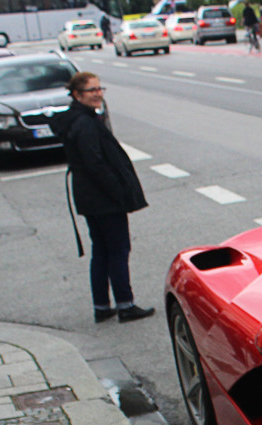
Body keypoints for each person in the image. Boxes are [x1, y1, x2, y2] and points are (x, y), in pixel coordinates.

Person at [50, 73, 155, 324]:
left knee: (102, 251)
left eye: (99, 88)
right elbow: (95, 163)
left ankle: (102, 306)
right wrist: (118, 191)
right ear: (77, 95)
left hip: (89, 196)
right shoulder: (85, 123)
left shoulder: (78, 118)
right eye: (91, 90)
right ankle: (125, 305)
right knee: (118, 249)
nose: (97, 93)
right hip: (102, 198)